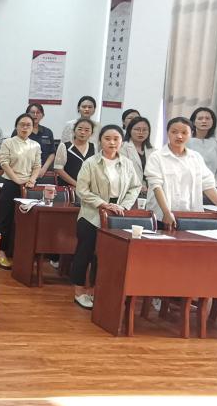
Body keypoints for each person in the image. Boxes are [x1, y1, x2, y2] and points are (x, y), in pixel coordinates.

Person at [71, 124, 142, 309]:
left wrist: (123, 206)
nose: (112, 142)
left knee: (103, 256)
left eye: (116, 139)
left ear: (121, 142)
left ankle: (94, 291)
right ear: (100, 141)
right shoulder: (91, 163)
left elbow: (135, 187)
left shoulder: (127, 163)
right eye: (107, 138)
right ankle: (79, 292)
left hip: (115, 216)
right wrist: (102, 204)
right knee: (85, 253)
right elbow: (82, 190)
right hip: (91, 214)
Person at [146, 116, 217, 230]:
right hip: (162, 217)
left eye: (184, 132)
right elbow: (156, 186)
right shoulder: (157, 157)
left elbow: (208, 185)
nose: (179, 136)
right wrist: (166, 212)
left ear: (191, 134)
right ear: (168, 133)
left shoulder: (196, 157)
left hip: (190, 217)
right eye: (174, 132)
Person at [0, 112, 43, 269]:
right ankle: (1, 252)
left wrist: (32, 180)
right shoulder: (8, 142)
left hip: (28, 187)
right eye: (22, 124)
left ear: (32, 127)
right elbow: (4, 163)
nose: (25, 127)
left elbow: (37, 165)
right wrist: (16, 180)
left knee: (27, 222)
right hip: (11, 184)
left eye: (28, 125)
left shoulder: (35, 145)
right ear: (16, 126)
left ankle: (21, 253)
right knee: (6, 219)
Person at [54, 117, 95, 191]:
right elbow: (58, 169)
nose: (83, 132)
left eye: (87, 130)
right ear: (74, 131)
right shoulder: (65, 146)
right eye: (80, 129)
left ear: (91, 133)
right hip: (68, 189)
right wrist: (76, 184)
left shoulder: (93, 147)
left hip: (87, 189)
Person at [189, 106, 217, 183]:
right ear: (193, 122)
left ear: (213, 122)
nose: (204, 121)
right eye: (200, 118)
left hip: (210, 186)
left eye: (207, 118)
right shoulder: (185, 142)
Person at [121, 115, 153, 187]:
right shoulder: (122, 148)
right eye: (137, 129)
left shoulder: (153, 151)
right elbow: (122, 172)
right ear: (130, 130)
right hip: (129, 188)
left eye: (144, 130)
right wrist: (139, 186)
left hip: (149, 189)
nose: (141, 132)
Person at [26, 102, 55, 170]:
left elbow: (52, 153)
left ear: (42, 115)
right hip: (24, 170)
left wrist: (44, 169)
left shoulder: (48, 132)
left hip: (43, 170)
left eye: (38, 112)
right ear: (27, 114)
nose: (35, 115)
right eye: (32, 112)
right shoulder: (20, 131)